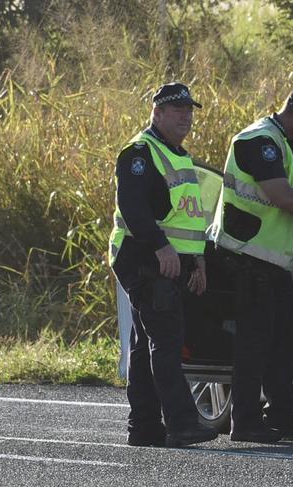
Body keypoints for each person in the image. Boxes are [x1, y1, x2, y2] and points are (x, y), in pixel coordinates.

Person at [209, 86, 293, 443]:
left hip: (272, 260)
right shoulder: (258, 141)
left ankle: (283, 415)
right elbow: (282, 197)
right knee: (255, 343)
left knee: (286, 340)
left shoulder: (284, 144)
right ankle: (246, 421)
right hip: (247, 257)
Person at [109, 82, 218, 448]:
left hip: (167, 260)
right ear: (157, 112)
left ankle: (143, 427)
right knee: (166, 341)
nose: (186, 116)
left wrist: (197, 258)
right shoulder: (141, 153)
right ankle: (182, 422)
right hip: (144, 258)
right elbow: (134, 209)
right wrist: (162, 248)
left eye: (189, 110)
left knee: (146, 345)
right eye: (177, 110)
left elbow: (189, 216)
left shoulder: (178, 155)